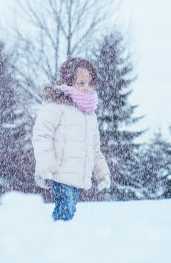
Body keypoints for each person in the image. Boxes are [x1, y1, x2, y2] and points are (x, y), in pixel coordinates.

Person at [32, 57, 111, 221]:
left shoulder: (90, 115)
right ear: (68, 83)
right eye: (81, 83)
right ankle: (54, 238)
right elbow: (42, 135)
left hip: (78, 176)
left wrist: (102, 173)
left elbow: (95, 149)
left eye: (89, 83)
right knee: (65, 212)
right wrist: (45, 165)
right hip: (60, 173)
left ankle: (57, 236)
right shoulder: (56, 106)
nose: (86, 88)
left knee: (68, 212)